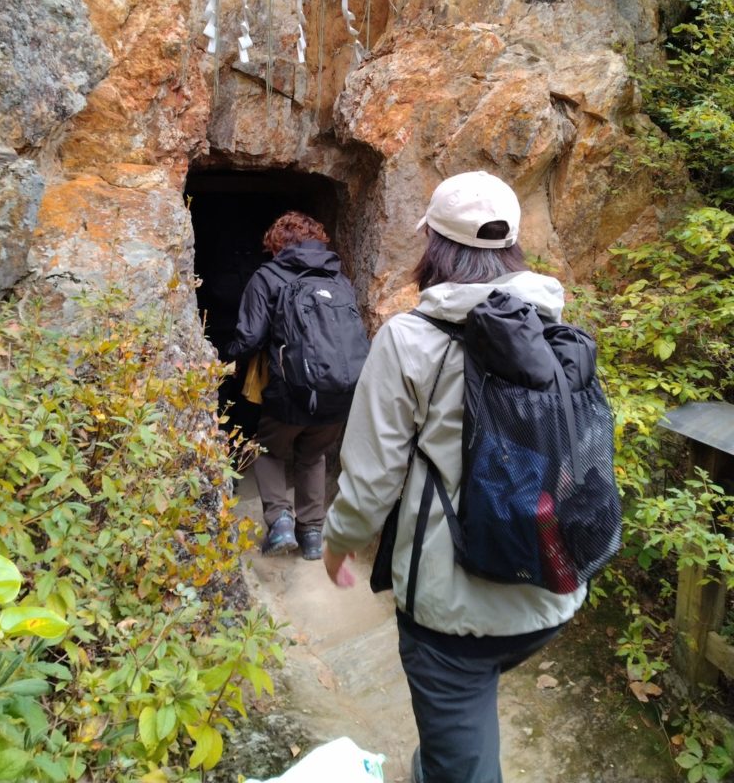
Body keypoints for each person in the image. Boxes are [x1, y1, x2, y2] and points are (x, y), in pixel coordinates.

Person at [322, 171, 588, 783]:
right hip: (553, 585)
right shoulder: (554, 327)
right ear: (513, 247)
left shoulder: (411, 340)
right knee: (462, 726)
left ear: (434, 246)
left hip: (452, 611)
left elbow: (369, 480)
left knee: (459, 754)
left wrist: (338, 545)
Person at [227, 210, 360, 561]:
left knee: (267, 449)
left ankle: (281, 522)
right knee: (313, 454)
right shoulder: (339, 280)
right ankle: (313, 535)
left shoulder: (267, 276)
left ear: (276, 245)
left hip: (290, 391)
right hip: (339, 392)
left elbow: (250, 336)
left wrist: (226, 362)